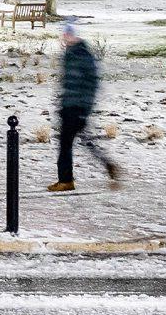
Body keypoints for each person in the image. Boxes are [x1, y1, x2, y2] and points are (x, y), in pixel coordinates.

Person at [51, 19, 119, 191]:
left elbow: (91, 84)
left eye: (67, 35)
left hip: (77, 108)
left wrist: (83, 107)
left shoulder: (81, 55)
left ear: (72, 35)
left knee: (66, 144)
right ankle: (107, 164)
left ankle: (66, 180)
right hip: (70, 106)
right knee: (84, 142)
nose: (64, 38)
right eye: (63, 35)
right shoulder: (71, 54)